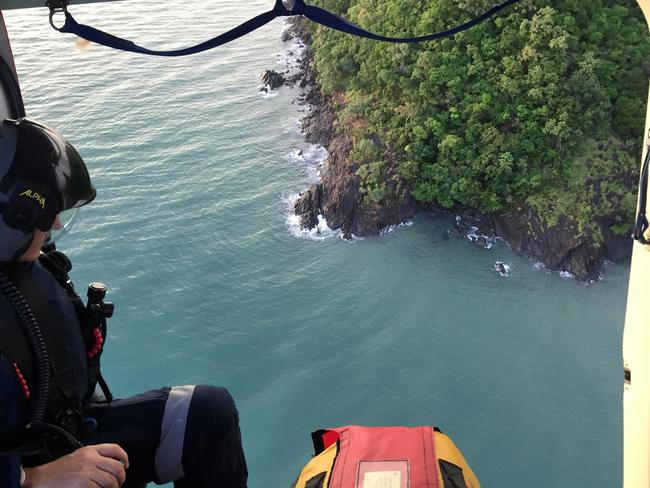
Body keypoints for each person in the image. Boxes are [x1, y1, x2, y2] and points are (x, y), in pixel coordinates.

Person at [0, 118, 248, 487]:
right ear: (16, 214)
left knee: (207, 412)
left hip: (66, 435)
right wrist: (33, 478)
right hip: (31, 471)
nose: (52, 227)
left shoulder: (28, 269)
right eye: (46, 216)